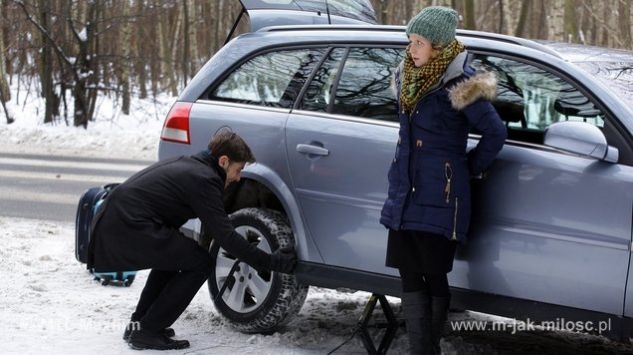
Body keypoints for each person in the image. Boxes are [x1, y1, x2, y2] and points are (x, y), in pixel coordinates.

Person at [87, 131, 297, 350]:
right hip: (127, 225)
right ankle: (148, 330)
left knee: (176, 257)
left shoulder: (194, 166)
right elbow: (227, 238)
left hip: (119, 221)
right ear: (223, 161)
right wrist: (274, 262)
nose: (237, 177)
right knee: (200, 263)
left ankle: (141, 324)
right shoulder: (205, 180)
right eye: (238, 170)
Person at [379, 6, 507, 355]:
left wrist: (466, 168)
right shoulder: (407, 75)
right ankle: (420, 349)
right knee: (407, 273)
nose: (411, 49)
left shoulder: (461, 85)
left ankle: (427, 349)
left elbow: (495, 132)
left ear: (438, 46)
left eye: (419, 42)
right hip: (405, 191)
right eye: (410, 41)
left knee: (434, 274)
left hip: (442, 195)